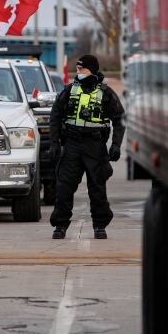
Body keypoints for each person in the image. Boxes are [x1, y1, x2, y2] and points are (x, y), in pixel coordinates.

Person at [48, 54, 125, 239]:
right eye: (78, 69)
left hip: (95, 146)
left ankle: (100, 225)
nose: (78, 72)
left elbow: (119, 119)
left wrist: (116, 145)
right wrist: (55, 142)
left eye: (82, 69)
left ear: (92, 70)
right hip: (72, 144)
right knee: (64, 187)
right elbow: (55, 116)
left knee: (97, 188)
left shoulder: (106, 93)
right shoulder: (69, 90)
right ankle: (60, 225)